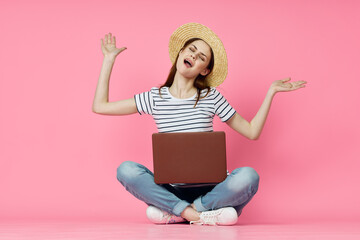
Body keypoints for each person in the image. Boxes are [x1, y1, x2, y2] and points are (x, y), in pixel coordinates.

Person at [92, 23, 307, 226]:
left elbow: (251, 132)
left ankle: (183, 212)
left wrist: (271, 92)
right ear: (180, 54)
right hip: (172, 189)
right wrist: (109, 60)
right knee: (126, 170)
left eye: (201, 56)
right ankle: (201, 215)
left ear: (204, 70)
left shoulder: (211, 97)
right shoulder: (154, 97)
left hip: (212, 190)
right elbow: (100, 106)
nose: (193, 55)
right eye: (191, 50)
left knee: (249, 176)